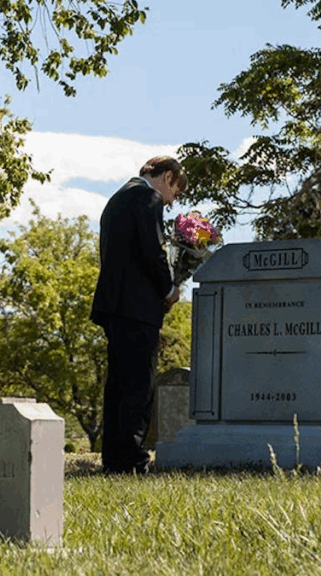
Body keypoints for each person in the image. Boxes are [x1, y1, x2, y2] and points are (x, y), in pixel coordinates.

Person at [90, 155, 187, 474]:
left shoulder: (117, 198)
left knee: (118, 385)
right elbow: (153, 249)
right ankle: (132, 459)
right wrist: (169, 288)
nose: (171, 201)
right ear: (168, 177)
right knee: (138, 385)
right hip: (137, 305)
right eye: (176, 192)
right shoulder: (148, 196)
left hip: (113, 305)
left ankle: (114, 458)